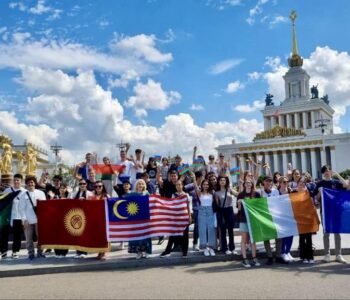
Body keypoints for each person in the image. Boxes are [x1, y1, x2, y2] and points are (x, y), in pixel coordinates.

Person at [316, 165, 350, 264]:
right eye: (325, 171)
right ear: (323, 173)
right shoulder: (320, 183)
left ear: (330, 171)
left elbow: (346, 185)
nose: (327, 172)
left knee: (337, 232)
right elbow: (317, 199)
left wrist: (337, 175)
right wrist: (319, 192)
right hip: (325, 211)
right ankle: (327, 254)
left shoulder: (335, 182)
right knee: (326, 232)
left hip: (336, 211)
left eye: (328, 170)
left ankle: (338, 254)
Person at [257, 176, 285, 265]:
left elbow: (280, 202)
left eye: (270, 181)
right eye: (267, 181)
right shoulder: (260, 192)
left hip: (276, 217)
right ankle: (269, 256)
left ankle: (278, 256)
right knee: (267, 237)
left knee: (279, 237)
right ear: (263, 183)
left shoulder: (276, 191)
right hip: (265, 217)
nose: (269, 183)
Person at [160, 180, 191, 258]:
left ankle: (185, 252)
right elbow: (172, 206)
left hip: (184, 217)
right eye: (177, 185)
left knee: (185, 235)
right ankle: (167, 251)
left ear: (182, 185)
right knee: (172, 235)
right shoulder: (173, 195)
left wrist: (189, 216)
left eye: (180, 185)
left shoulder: (186, 195)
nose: (178, 186)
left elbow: (188, 207)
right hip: (176, 218)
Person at [19, 176, 47, 260]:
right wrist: (24, 219)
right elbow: (21, 208)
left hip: (39, 218)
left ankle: (40, 252)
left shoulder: (41, 193)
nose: (31, 184)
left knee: (41, 237)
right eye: (29, 182)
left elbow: (45, 206)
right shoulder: (23, 195)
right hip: (28, 218)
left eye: (32, 182)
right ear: (26, 184)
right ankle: (31, 253)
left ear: (35, 183)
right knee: (28, 238)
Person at [0, 174, 26, 259]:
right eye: (14, 180)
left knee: (17, 235)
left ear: (21, 181)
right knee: (4, 234)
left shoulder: (24, 192)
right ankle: (3, 251)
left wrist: (24, 218)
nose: (16, 181)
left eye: (18, 180)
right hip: (8, 216)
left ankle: (15, 251)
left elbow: (25, 205)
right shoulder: (8, 190)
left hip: (18, 216)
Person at [237, 179, 261, 268]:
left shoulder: (256, 194)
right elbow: (239, 210)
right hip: (243, 219)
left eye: (250, 183)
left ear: (252, 184)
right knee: (243, 239)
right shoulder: (240, 195)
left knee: (253, 240)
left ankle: (254, 258)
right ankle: (244, 259)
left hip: (253, 220)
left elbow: (259, 206)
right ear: (244, 184)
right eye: (246, 183)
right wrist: (239, 203)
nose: (248, 184)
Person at [191, 173, 216, 257]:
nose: (206, 186)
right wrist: (194, 178)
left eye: (207, 184)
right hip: (201, 211)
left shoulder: (212, 193)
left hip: (210, 211)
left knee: (211, 230)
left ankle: (211, 248)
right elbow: (195, 186)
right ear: (202, 185)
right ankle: (204, 248)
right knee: (202, 230)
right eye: (204, 184)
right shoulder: (200, 193)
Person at [128, 179, 152, 259]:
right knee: (137, 234)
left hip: (145, 217)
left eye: (142, 184)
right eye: (139, 184)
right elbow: (125, 202)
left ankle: (146, 251)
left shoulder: (147, 193)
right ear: (136, 185)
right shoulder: (132, 194)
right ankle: (138, 252)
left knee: (145, 235)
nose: (140, 185)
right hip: (135, 218)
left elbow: (151, 203)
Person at [70, 179, 94, 258]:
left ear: (86, 184)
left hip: (86, 216)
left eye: (84, 183)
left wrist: (85, 201)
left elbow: (92, 204)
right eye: (80, 184)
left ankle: (84, 252)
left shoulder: (90, 193)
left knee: (85, 235)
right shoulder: (74, 193)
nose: (82, 185)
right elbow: (70, 202)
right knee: (77, 234)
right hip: (77, 216)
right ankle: (78, 252)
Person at [214, 176, 236, 255]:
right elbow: (217, 205)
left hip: (230, 210)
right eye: (221, 180)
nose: (223, 181)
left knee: (231, 230)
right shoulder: (216, 193)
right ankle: (225, 248)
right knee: (223, 231)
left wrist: (240, 184)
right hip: (221, 211)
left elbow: (238, 194)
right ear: (219, 182)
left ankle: (232, 248)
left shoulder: (229, 190)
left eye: (224, 180)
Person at [297, 177, 316, 264]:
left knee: (309, 238)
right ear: (297, 184)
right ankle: (303, 257)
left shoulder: (308, 193)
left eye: (303, 183)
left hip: (308, 218)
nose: (301, 184)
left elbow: (312, 204)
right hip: (299, 219)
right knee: (302, 238)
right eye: (300, 182)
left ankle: (310, 257)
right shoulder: (294, 193)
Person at [184, 171, 203, 251]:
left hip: (201, 210)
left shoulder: (204, 186)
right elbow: (182, 189)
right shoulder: (190, 186)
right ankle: (188, 244)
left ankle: (196, 243)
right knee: (189, 227)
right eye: (202, 177)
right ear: (199, 177)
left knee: (198, 227)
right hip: (191, 210)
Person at [92, 180, 110, 260]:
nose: (98, 188)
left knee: (105, 237)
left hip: (104, 219)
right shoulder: (92, 197)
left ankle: (104, 253)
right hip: (96, 219)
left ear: (103, 187)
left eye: (100, 186)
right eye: (96, 186)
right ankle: (100, 252)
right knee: (98, 237)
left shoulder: (107, 196)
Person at [278, 176, 295, 263]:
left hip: (289, 215)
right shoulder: (277, 192)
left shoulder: (290, 191)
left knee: (291, 234)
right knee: (284, 235)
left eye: (287, 182)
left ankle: (288, 252)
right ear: (280, 183)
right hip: (281, 216)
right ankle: (283, 252)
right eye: (284, 182)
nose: (285, 183)